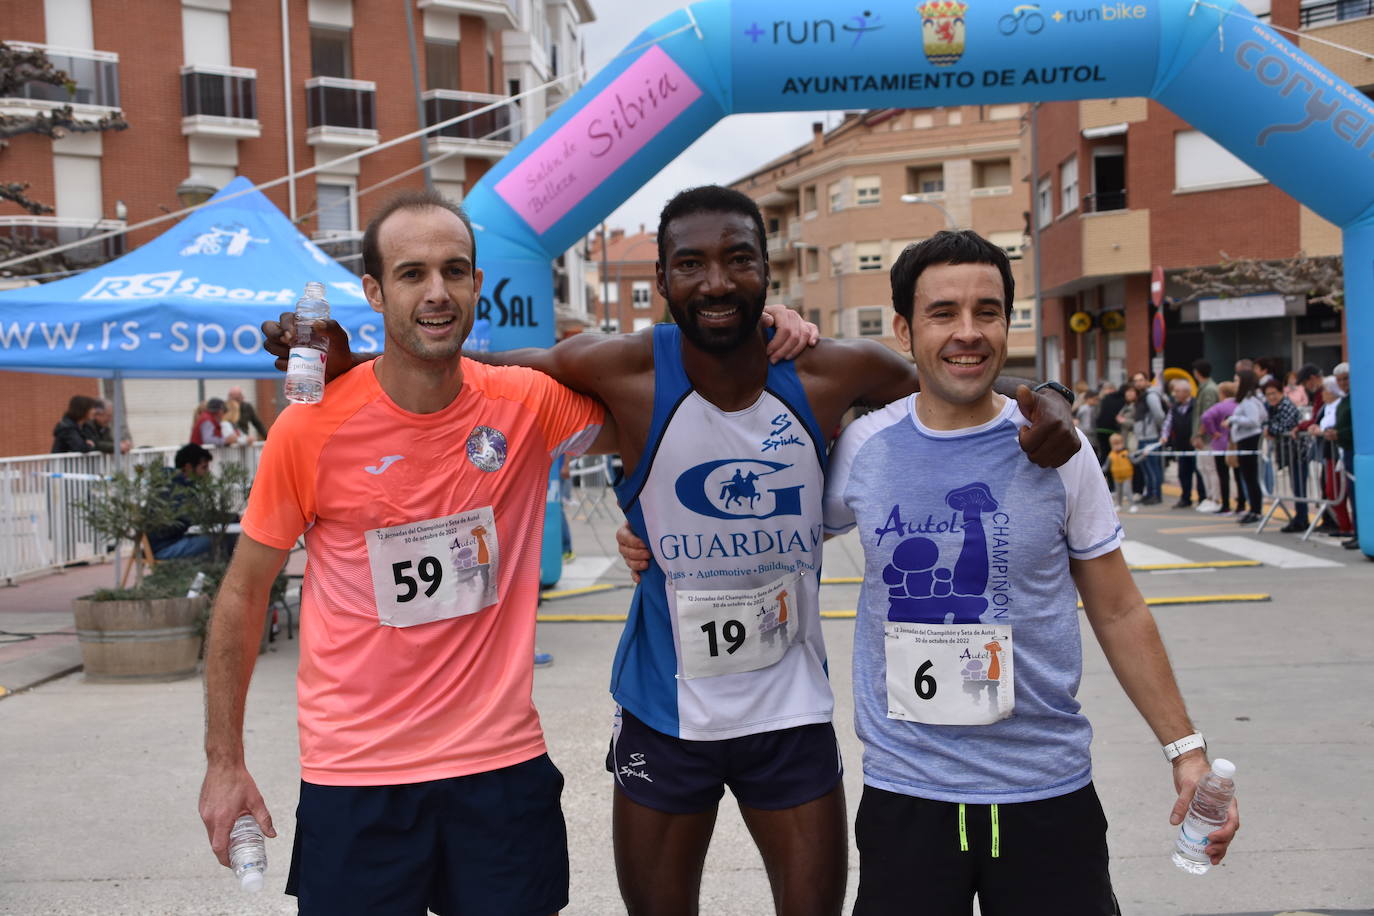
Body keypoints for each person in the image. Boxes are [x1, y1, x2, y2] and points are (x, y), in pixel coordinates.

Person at [265, 185, 1080, 916]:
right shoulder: (622, 370)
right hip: (664, 713)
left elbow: (960, 382)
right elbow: (472, 363)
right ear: (662, 281)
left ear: (768, 272)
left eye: (737, 260)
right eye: (691, 264)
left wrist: (1049, 397)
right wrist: (354, 369)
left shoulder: (836, 372)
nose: (717, 282)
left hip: (790, 712)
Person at [199, 189, 612, 916]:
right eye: (412, 273)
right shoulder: (311, 428)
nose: (437, 292)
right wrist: (224, 763)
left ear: (479, 285)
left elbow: (650, 413)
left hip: (500, 770)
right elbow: (242, 592)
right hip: (357, 777)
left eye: (455, 271)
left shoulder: (526, 403)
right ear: (372, 290)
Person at [819, 231, 1237, 914]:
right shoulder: (865, 446)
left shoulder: (1058, 448)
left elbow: (1119, 608)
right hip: (908, 796)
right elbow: (781, 540)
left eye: (988, 311)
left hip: (1046, 793)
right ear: (903, 328)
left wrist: (1186, 751)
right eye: (943, 313)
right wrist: (643, 536)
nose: (968, 332)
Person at [146, 443, 227, 560]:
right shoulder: (175, 488)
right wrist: (232, 518)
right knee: (218, 540)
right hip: (165, 548)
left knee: (216, 538)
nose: (207, 472)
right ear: (189, 467)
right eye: (204, 467)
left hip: (170, 542)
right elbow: (196, 516)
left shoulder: (172, 483)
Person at [1261, 377, 1307, 532]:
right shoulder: (1271, 407)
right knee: (1295, 486)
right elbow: (1265, 422)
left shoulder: (1286, 405)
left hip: (1298, 452)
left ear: (1281, 392)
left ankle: (1302, 519)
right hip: (1287, 451)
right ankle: (1300, 517)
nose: (1271, 397)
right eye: (1268, 394)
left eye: (1274, 393)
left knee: (1299, 486)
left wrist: (1270, 430)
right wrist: (1269, 428)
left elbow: (1283, 426)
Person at [1227, 369, 1267, 525]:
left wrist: (1233, 419)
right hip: (1245, 439)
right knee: (1248, 477)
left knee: (1251, 477)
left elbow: (1254, 420)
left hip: (1249, 439)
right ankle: (1253, 509)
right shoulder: (1247, 400)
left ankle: (1256, 511)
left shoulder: (1250, 400)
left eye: (1237, 381)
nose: (1234, 384)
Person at [1165, 379, 1206, 509]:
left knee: (1199, 472)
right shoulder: (1174, 407)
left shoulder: (1195, 404)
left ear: (1186, 392)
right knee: (1183, 473)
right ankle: (1185, 498)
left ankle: (1202, 497)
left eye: (1177, 391)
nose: (1174, 394)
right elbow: (1168, 423)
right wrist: (1164, 437)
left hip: (1194, 444)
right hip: (1181, 445)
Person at [1201, 381, 1239, 514]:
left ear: (1222, 393)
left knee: (1223, 476)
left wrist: (1213, 432)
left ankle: (1226, 504)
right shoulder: (1238, 406)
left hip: (1219, 444)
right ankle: (1241, 504)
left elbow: (1205, 417)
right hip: (1235, 443)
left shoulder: (1219, 407)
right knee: (1238, 475)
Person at [1130, 371, 1166, 505]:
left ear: (1146, 381)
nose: (1138, 383)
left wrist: (1159, 431)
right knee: (1146, 467)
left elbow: (1159, 415)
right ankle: (1150, 493)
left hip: (1150, 437)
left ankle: (1156, 495)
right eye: (1136, 380)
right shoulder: (1141, 396)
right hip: (1143, 437)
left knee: (1153, 467)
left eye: (1140, 380)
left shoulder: (1151, 396)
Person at [1189, 360, 1220, 512]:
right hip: (1202, 436)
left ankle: (1214, 498)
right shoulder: (1204, 388)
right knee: (1203, 467)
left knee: (1210, 468)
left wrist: (1199, 435)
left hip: (1207, 438)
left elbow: (1207, 414)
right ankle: (1209, 497)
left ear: (1197, 372)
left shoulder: (1208, 389)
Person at [1104, 432, 1136, 513]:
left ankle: (1133, 505)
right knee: (1118, 492)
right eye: (1115, 444)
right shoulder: (1111, 455)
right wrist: (1099, 471)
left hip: (1127, 475)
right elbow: (1106, 467)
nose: (1117, 446)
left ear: (1122, 443)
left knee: (1127, 490)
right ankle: (1118, 505)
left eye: (1119, 444)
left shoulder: (1126, 453)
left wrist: (1143, 456)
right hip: (1116, 476)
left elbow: (1135, 461)